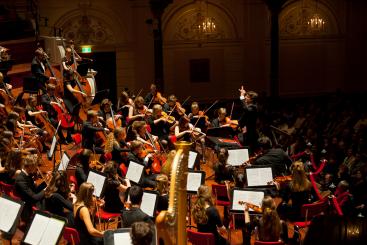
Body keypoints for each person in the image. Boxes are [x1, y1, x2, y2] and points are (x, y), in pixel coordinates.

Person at [15, 154, 48, 222]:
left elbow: (34, 190)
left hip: (31, 201)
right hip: (27, 208)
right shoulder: (21, 179)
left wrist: (46, 182)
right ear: (30, 166)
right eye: (35, 166)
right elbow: (34, 198)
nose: (36, 168)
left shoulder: (27, 174)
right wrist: (46, 190)